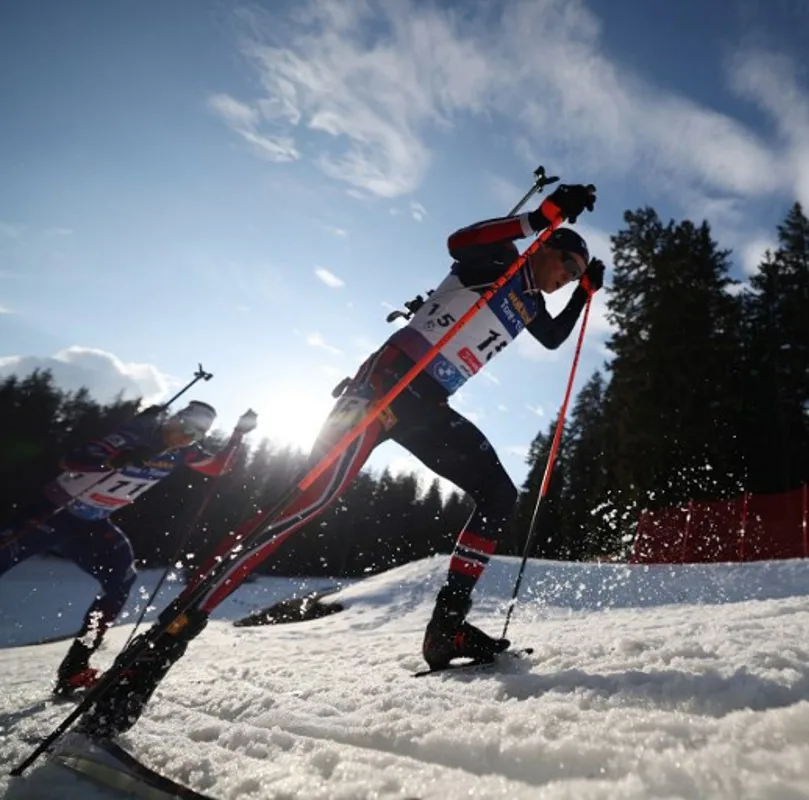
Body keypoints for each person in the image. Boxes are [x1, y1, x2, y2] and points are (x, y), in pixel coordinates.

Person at [76, 182, 604, 739]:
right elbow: (459, 240)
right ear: (548, 246)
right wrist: (540, 217)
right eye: (567, 265)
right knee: (302, 505)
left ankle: (447, 629)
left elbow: (552, 337)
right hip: (383, 386)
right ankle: (155, 649)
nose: (567, 277)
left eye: (574, 274)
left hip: (426, 403)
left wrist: (583, 295)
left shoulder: (532, 302)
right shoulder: (501, 260)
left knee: (499, 494)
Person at [0, 400, 257, 695]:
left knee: (121, 582)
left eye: (198, 435)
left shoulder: (182, 451)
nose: (188, 438)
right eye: (186, 429)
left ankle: (74, 668)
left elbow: (219, 467)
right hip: (53, 512)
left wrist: (239, 433)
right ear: (175, 419)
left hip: (92, 524)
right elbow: (72, 460)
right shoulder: (136, 435)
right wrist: (116, 459)